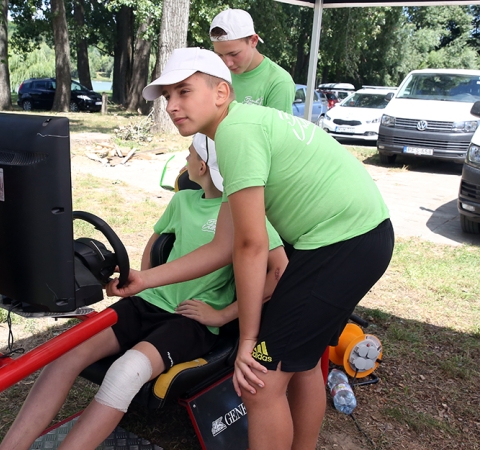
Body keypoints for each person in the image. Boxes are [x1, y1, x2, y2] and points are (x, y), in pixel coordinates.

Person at [107, 47, 394, 450]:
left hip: (342, 244)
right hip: (356, 238)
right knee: (305, 363)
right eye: (167, 96)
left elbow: (250, 246)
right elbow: (225, 244)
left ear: (221, 92)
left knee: (257, 381)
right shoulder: (240, 128)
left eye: (184, 92)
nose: (172, 105)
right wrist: (145, 279)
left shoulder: (235, 134)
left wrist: (247, 341)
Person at [0, 134, 288, 450]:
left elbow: (278, 273)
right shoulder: (182, 201)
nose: (185, 161)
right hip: (149, 301)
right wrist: (146, 278)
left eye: (189, 155)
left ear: (203, 166)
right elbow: (156, 241)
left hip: (191, 319)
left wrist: (223, 314)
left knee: (125, 373)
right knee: (65, 354)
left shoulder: (245, 213)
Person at [210, 9, 295, 114]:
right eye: (220, 55)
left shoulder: (279, 82)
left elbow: (278, 130)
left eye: (234, 54)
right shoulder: (215, 74)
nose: (228, 63)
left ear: (254, 41)